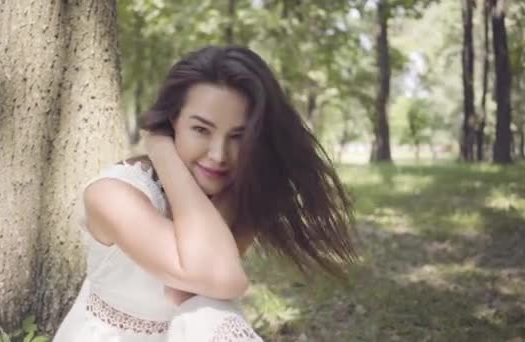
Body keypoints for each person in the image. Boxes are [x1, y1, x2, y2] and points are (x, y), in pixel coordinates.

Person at [53, 45, 357, 341]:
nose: (219, 155)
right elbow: (219, 278)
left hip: (185, 333)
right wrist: (163, 152)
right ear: (173, 121)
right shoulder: (113, 194)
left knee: (210, 314)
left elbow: (188, 289)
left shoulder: (241, 192)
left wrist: (164, 152)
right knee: (209, 312)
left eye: (239, 137)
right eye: (201, 129)